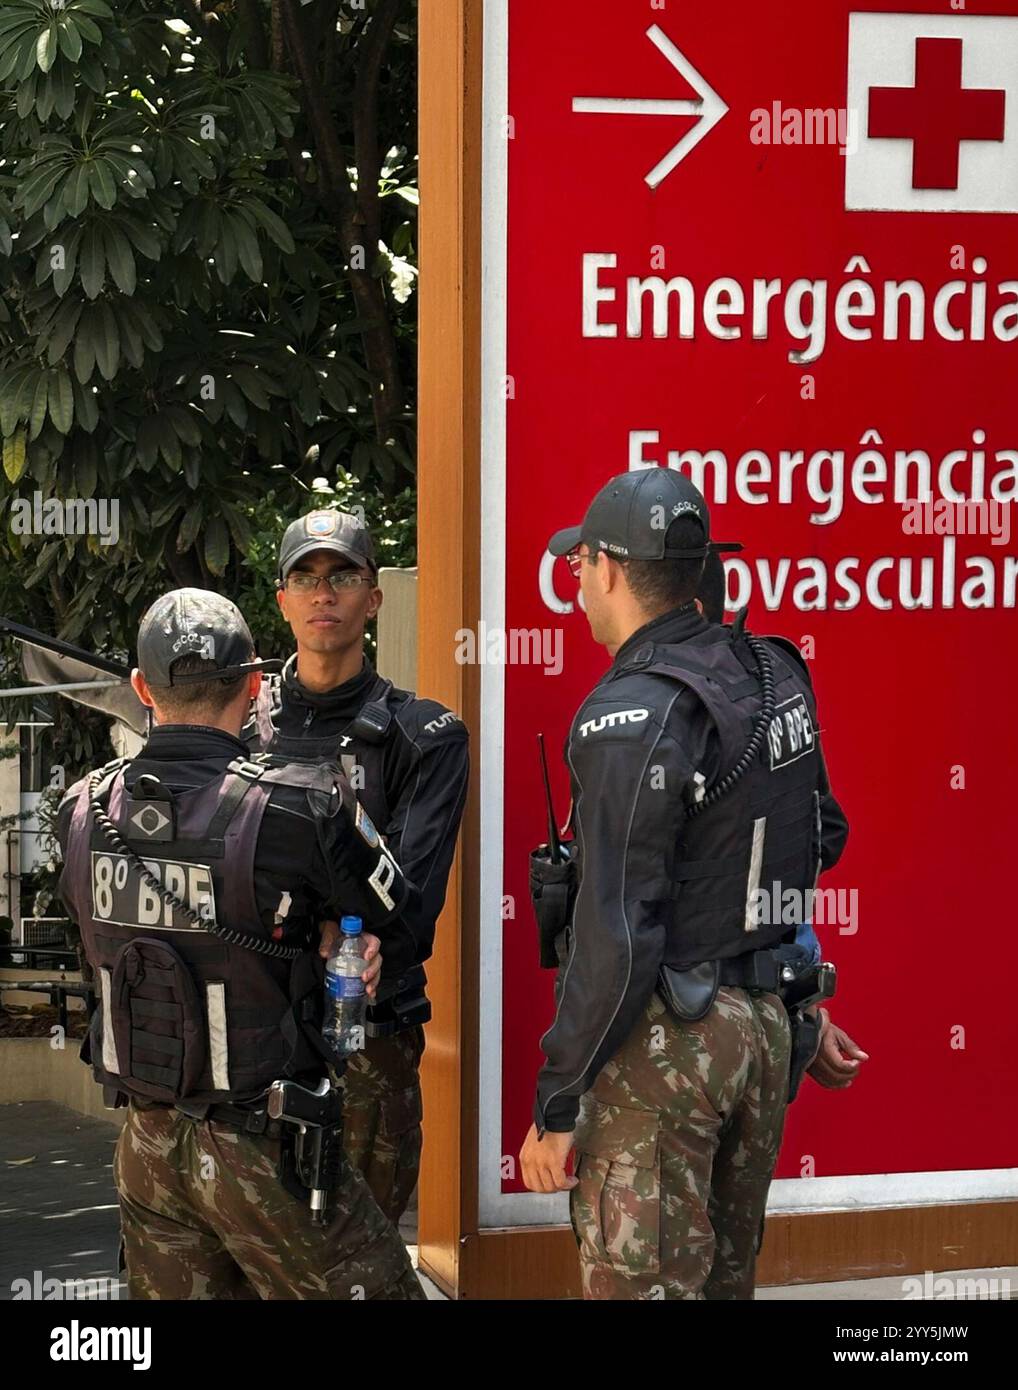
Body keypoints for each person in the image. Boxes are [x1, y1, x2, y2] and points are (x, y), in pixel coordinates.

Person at [519, 468, 850, 1299]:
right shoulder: (774, 669)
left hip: (669, 1047)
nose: (579, 585)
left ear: (609, 569)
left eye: (579, 566)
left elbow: (617, 936)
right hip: (766, 1036)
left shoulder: (626, 710)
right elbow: (817, 840)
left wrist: (558, 1099)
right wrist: (801, 1000)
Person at [55, 588, 425, 1301]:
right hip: (269, 1150)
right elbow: (399, 918)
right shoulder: (299, 804)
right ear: (256, 686)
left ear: (142, 690)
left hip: (147, 1147)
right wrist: (322, 931)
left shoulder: (82, 810)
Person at [258, 509, 469, 1224]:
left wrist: (360, 938)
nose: (325, 594)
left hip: (366, 1038)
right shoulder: (236, 721)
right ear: (281, 598)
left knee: (360, 1252)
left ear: (372, 597)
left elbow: (411, 903)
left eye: (343, 576)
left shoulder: (422, 735)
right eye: (306, 578)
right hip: (251, 1035)